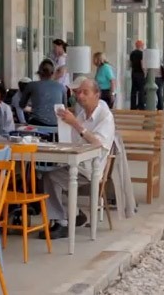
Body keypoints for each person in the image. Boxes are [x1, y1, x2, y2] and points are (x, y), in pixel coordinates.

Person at [39, 80, 115, 239]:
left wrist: (75, 123)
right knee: (40, 173)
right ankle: (72, 214)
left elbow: (98, 144)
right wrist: (65, 124)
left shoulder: (105, 116)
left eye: (85, 92)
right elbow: (73, 141)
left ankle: (62, 222)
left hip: (90, 169)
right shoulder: (82, 113)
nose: (80, 96)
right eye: (78, 92)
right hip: (75, 162)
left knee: (50, 177)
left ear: (97, 95)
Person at [20, 59, 67, 126]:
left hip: (37, 124)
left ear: (39, 73)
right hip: (56, 125)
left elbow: (21, 105)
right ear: (53, 73)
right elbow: (64, 107)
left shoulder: (31, 85)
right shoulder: (61, 87)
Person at [130, 40, 146, 110]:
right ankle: (141, 106)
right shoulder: (141, 54)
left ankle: (133, 106)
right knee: (141, 90)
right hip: (140, 73)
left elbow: (131, 63)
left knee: (133, 90)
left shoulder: (132, 53)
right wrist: (145, 72)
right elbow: (142, 63)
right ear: (141, 45)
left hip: (134, 72)